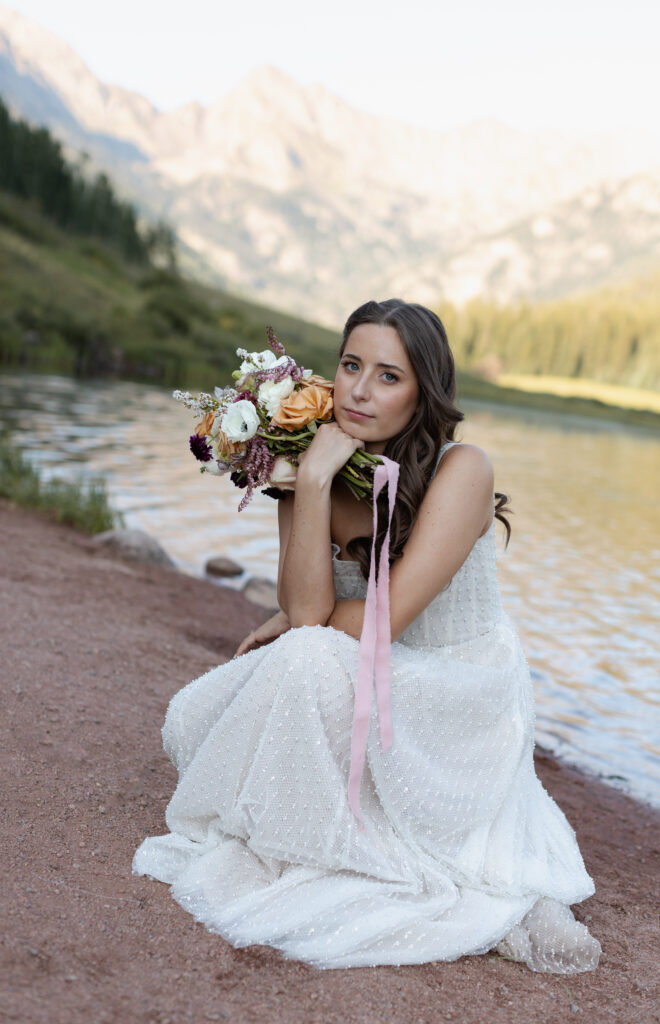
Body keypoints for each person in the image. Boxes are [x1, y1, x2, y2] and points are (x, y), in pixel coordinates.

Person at [133, 299, 601, 973]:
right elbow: (303, 607)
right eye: (351, 365)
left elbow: (373, 621)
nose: (358, 388)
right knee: (189, 722)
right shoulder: (303, 463)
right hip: (351, 662)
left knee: (299, 657)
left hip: (453, 688)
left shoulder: (461, 469)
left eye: (388, 376)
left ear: (423, 392)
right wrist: (312, 479)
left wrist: (300, 620)